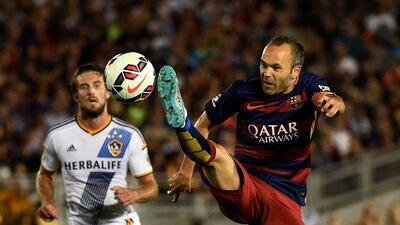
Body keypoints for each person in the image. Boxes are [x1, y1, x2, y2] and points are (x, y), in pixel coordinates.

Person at [157, 36, 345, 225]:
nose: (266, 73)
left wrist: (335, 102)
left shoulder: (308, 85)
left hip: (284, 194)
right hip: (244, 182)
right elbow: (204, 124)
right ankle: (182, 124)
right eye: (264, 65)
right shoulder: (243, 91)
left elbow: (327, 96)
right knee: (219, 156)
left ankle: (183, 126)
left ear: (295, 72)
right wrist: (185, 172)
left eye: (276, 67)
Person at [36, 63, 158, 225]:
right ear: (76, 96)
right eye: (84, 87)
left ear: (107, 92)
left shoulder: (128, 135)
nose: (91, 91)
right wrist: (47, 201)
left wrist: (134, 194)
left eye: (97, 85)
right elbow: (44, 175)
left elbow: (151, 187)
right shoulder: (58, 136)